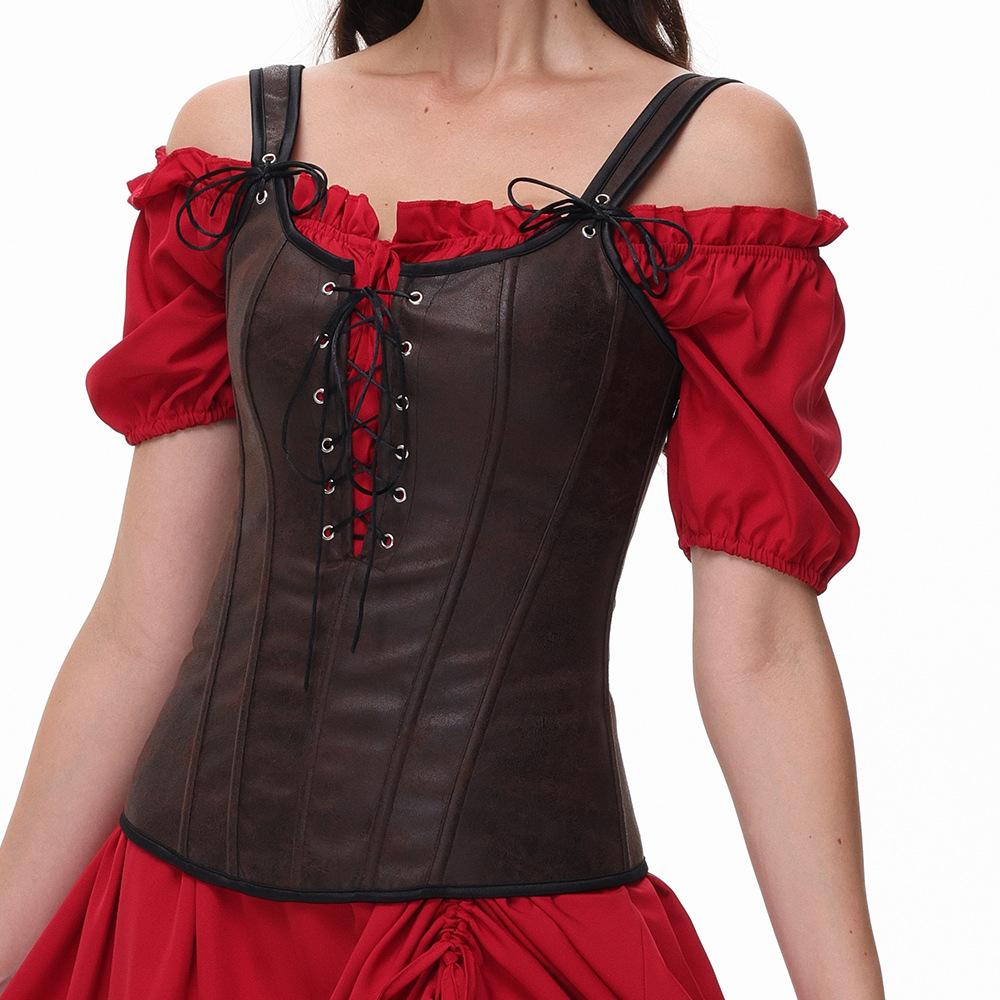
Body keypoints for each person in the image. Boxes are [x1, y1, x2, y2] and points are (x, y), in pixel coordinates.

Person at [0, 2, 884, 998]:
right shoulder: (234, 144)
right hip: (186, 923)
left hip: (504, 935)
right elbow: (139, 624)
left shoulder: (716, 153)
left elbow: (760, 647)